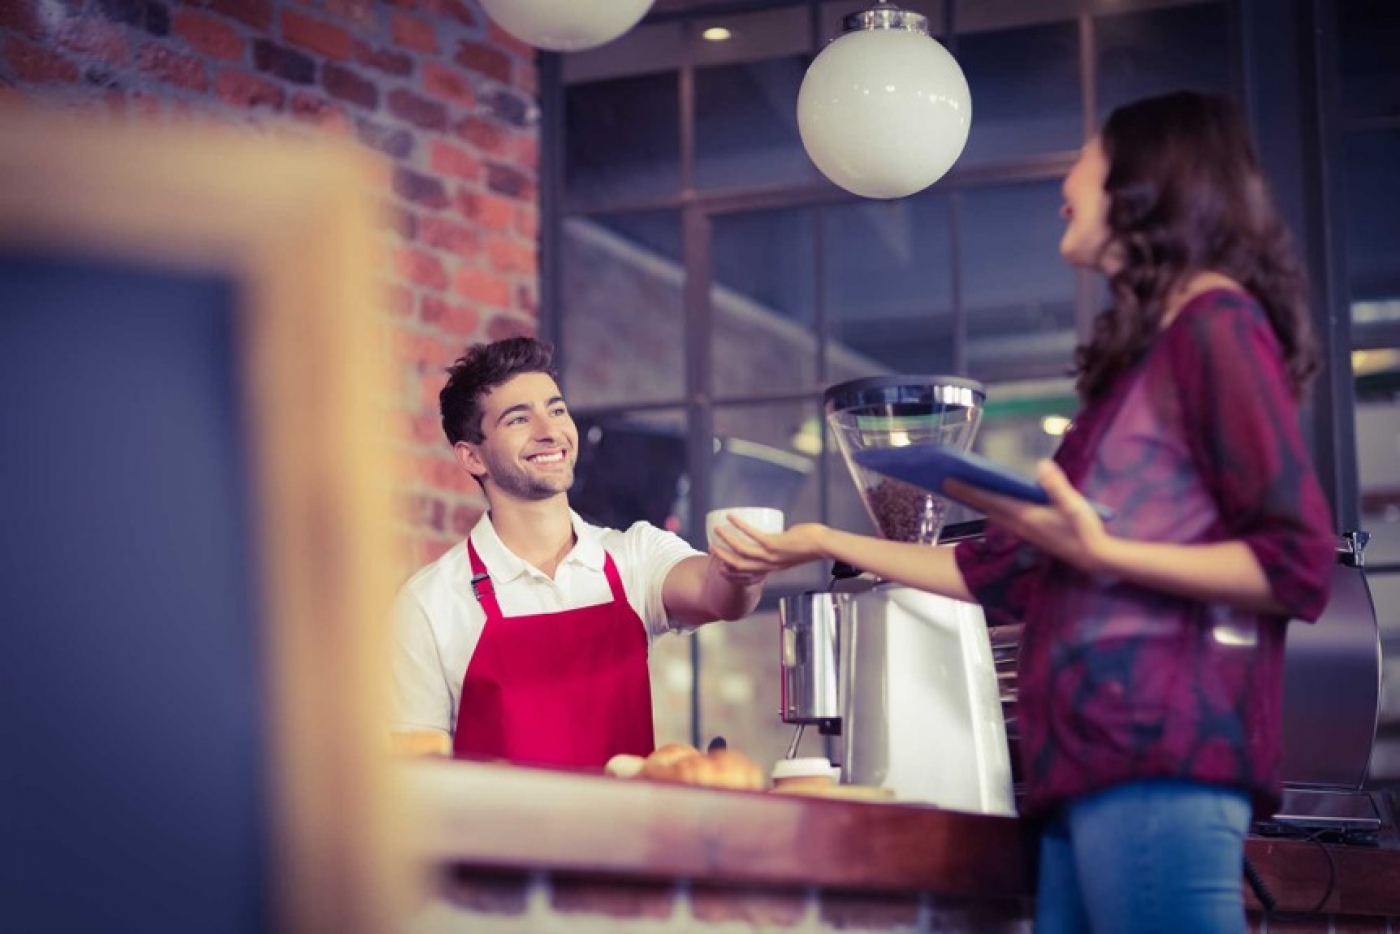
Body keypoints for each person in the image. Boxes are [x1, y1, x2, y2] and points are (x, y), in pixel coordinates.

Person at [712, 90, 1335, 934]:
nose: (1066, 180)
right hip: (1081, 769)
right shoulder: (1146, 364)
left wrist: (1107, 553)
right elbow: (994, 572)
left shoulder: (1216, 327)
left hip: (1159, 757)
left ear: (1149, 181)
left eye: (1087, 156)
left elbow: (1297, 564)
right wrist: (819, 541)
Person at [389, 336, 767, 768]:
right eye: (518, 419)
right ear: (473, 457)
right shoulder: (429, 604)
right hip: (495, 838)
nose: (550, 432)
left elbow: (718, 595)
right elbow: (415, 775)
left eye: (556, 410)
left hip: (630, 835)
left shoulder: (634, 556)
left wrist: (743, 571)